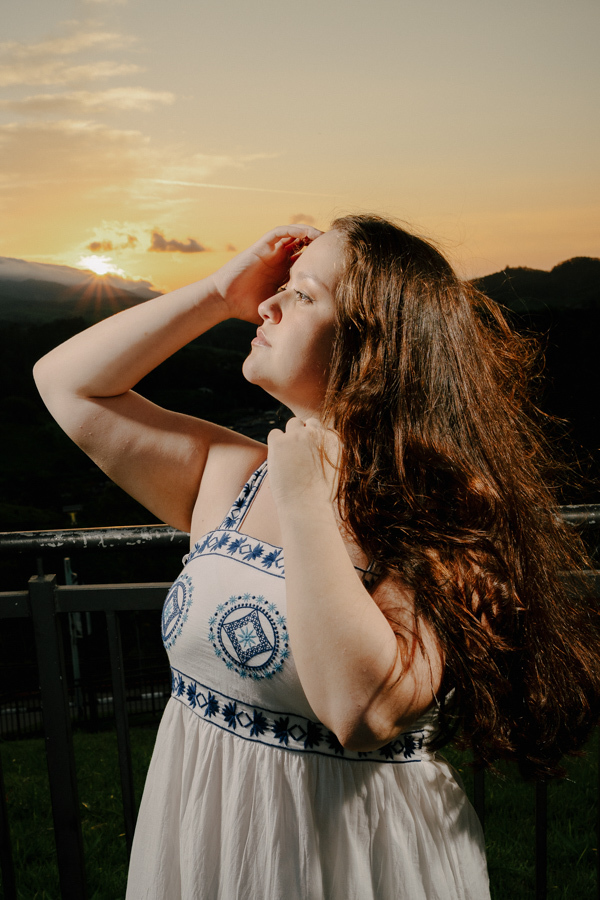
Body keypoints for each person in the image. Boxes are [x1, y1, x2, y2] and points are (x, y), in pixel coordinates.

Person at [33, 215, 600, 900]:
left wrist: (306, 493)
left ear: (374, 347)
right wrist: (218, 291)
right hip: (207, 849)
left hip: (352, 866)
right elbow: (66, 382)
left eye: (301, 295)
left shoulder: (438, 517)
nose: (268, 303)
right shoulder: (231, 475)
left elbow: (362, 712)